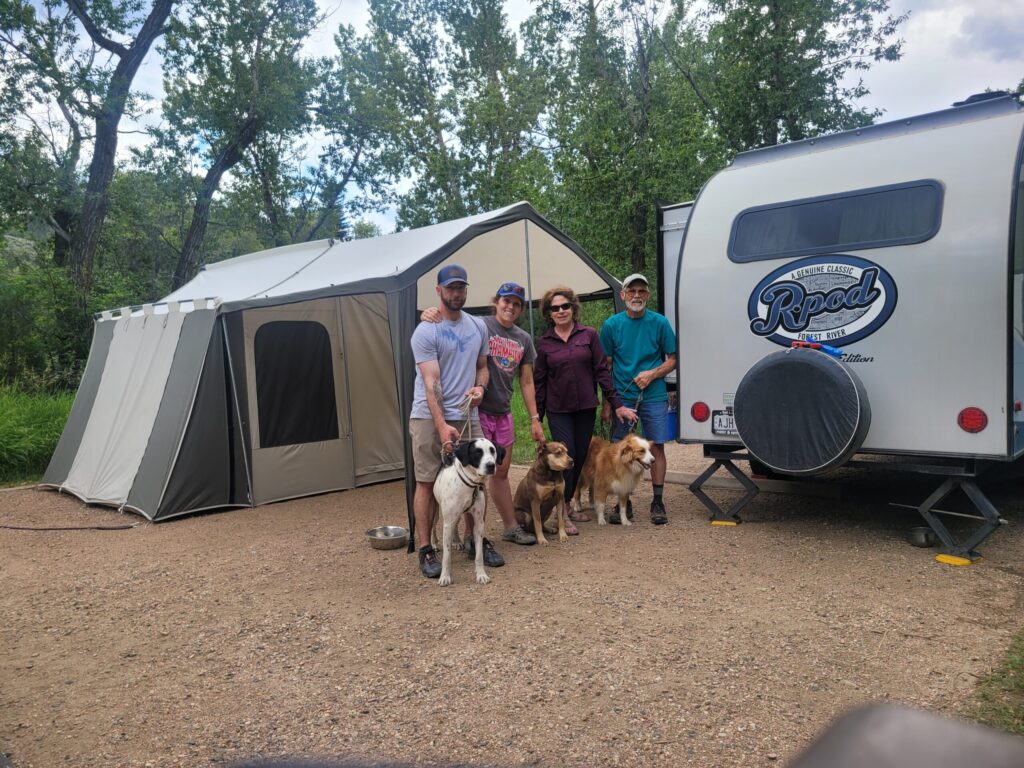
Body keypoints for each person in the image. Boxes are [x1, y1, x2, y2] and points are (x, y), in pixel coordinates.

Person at [421, 281, 546, 549]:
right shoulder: (480, 325)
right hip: (478, 412)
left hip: (503, 411)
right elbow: (452, 317)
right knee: (471, 473)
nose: (510, 307)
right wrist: (431, 313)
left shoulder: (524, 339)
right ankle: (470, 536)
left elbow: (526, 381)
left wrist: (535, 419)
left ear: (521, 308)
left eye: (516, 304)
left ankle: (509, 527)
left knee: (500, 471)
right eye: (506, 301)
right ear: (496, 302)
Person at [408, 264, 492, 578]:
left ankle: (474, 540)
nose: (457, 293)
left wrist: (480, 388)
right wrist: (442, 425)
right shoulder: (426, 330)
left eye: (461, 287)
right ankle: (426, 548)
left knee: (477, 480)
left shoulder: (478, 326)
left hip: (467, 413)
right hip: (428, 415)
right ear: (439, 291)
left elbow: (483, 366)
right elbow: (431, 382)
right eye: (451, 288)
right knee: (427, 481)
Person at [534, 286, 636, 534]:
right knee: (566, 456)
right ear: (549, 313)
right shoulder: (545, 343)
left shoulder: (588, 335)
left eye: (565, 306)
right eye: (555, 308)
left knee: (579, 457)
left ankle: (567, 504)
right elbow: (540, 382)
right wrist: (537, 418)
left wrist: (617, 405)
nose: (561, 311)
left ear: (573, 307)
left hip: (585, 408)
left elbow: (602, 371)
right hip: (558, 409)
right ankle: (562, 511)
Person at [599, 273, 678, 525]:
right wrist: (608, 404)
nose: (636, 295)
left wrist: (652, 374)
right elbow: (605, 366)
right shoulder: (611, 325)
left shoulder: (660, 322)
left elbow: (673, 359)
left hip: (653, 395)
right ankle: (624, 502)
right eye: (631, 291)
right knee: (620, 450)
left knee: (656, 447)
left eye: (641, 291)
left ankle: (658, 501)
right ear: (622, 295)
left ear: (647, 295)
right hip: (622, 398)